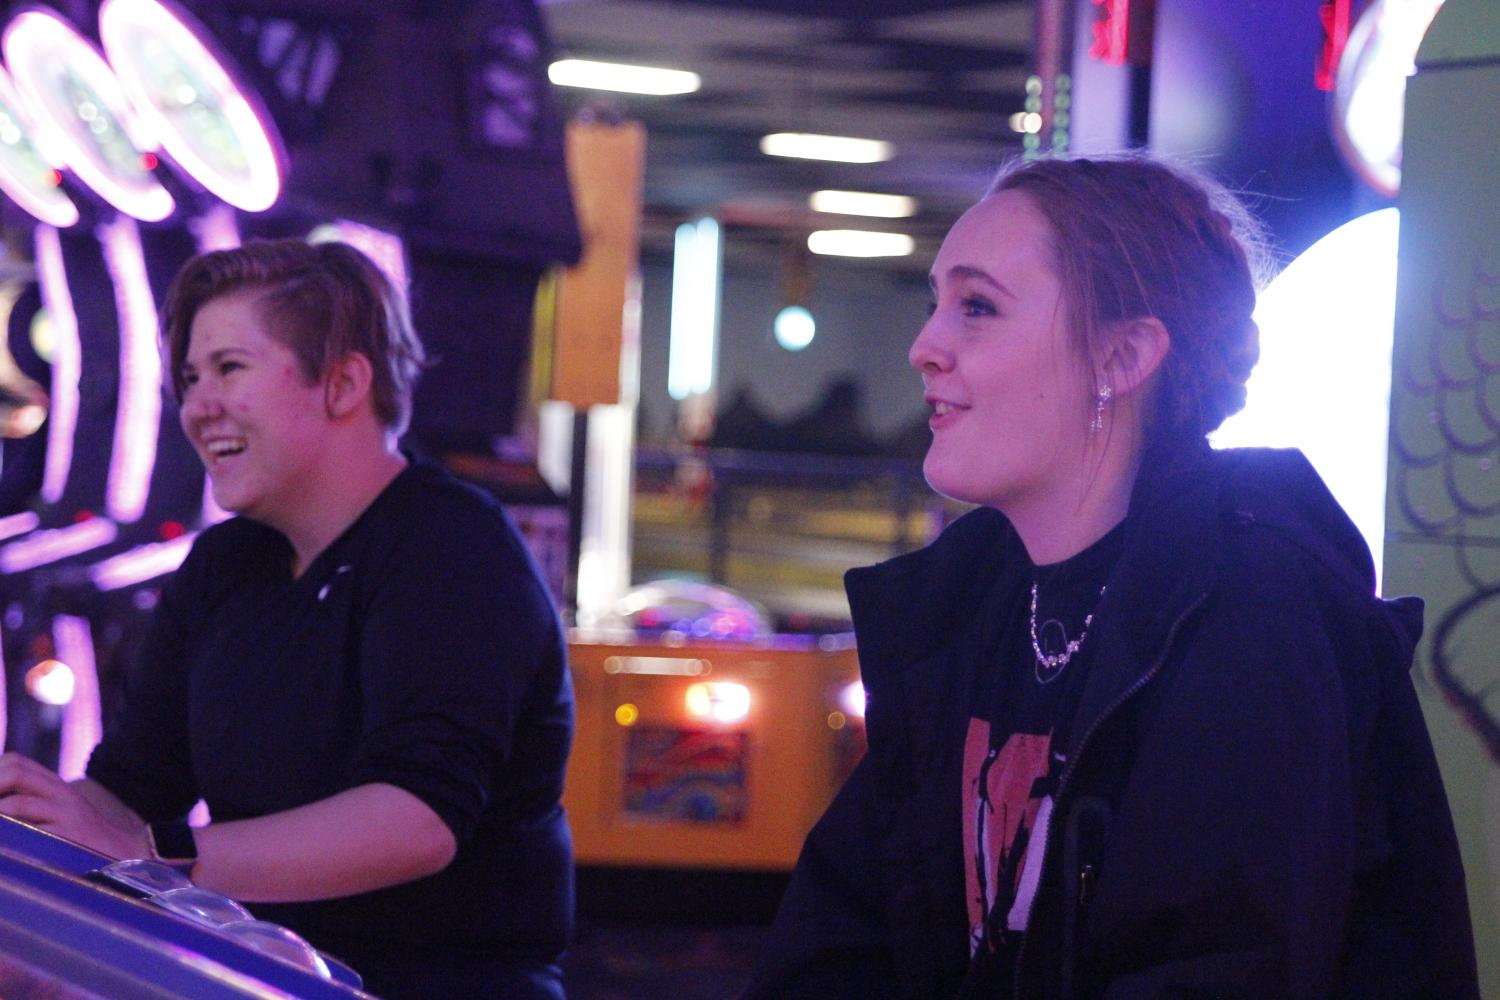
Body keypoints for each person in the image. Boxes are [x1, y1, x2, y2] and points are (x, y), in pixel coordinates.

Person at [746, 155, 1479, 999]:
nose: (924, 349)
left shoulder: (1253, 619)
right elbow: (840, 940)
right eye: (935, 305)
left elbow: (1223, 967)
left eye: (977, 307)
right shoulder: (963, 610)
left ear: (1123, 355)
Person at [0, 238, 574, 999]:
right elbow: (131, 789)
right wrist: (35, 815)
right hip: (266, 973)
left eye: (230, 369)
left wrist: (151, 849)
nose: (197, 406)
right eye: (191, 377)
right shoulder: (226, 564)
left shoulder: (450, 547)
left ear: (342, 384)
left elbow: (414, 822)